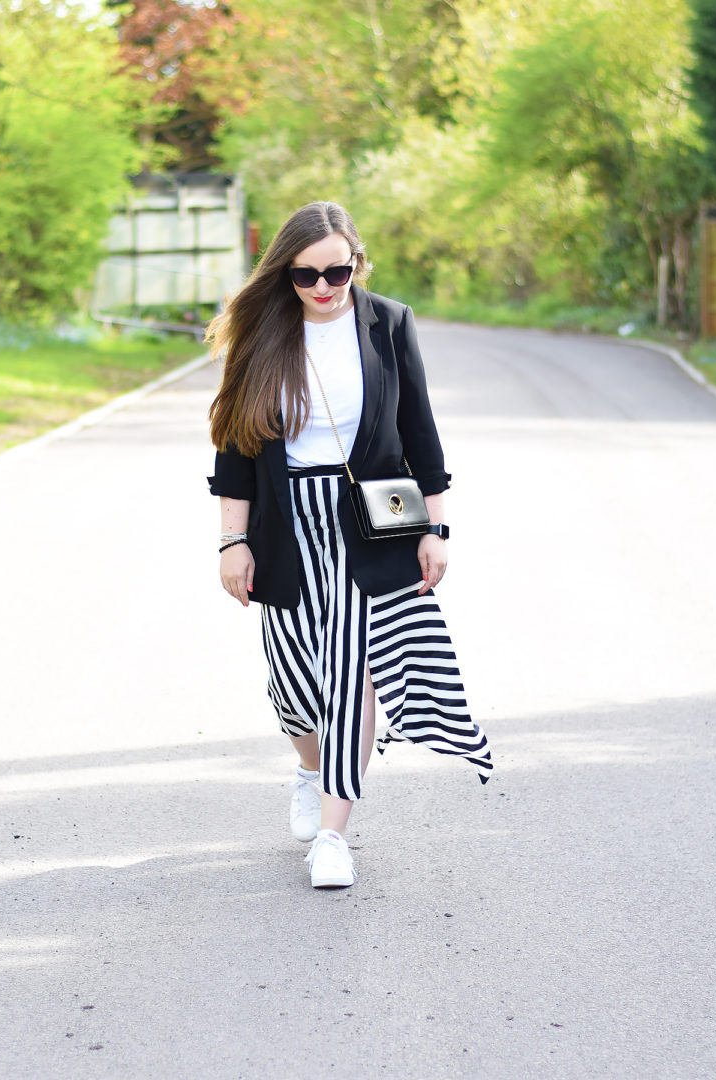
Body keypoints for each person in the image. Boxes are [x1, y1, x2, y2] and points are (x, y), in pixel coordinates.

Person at [207, 201, 491, 889]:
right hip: (286, 519)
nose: (325, 288)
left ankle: (333, 836)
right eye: (307, 276)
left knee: (353, 670)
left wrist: (437, 526)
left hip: (370, 517)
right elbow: (235, 448)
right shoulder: (262, 331)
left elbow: (420, 431)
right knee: (295, 683)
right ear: (286, 275)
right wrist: (231, 541)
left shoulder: (389, 324)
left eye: (339, 270)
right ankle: (309, 765)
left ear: (358, 262)